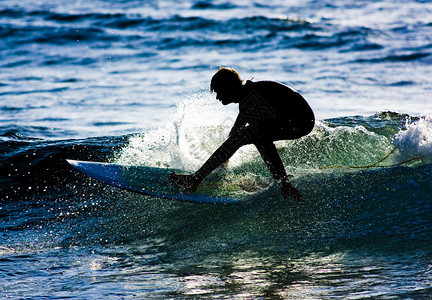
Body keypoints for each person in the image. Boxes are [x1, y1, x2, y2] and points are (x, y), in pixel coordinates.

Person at [169, 67, 315, 201]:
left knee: (256, 136)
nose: (217, 97)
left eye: (219, 91)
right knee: (247, 135)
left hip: (300, 121)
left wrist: (283, 182)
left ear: (229, 87)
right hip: (292, 119)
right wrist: (222, 164)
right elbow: (233, 136)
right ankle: (197, 178)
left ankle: (195, 179)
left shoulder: (251, 97)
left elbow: (262, 142)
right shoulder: (247, 96)